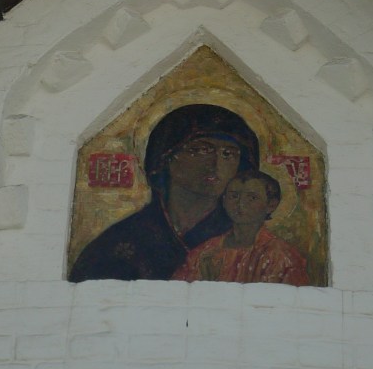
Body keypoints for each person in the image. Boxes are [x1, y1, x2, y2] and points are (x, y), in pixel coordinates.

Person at [69, 104, 260, 282]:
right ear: (166, 157)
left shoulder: (249, 239)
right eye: (201, 149)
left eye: (228, 154)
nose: (216, 163)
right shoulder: (119, 243)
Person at [173, 170, 308, 286]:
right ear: (224, 201)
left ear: (271, 205)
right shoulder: (204, 251)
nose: (240, 203)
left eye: (252, 197)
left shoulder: (283, 257)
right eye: (234, 196)